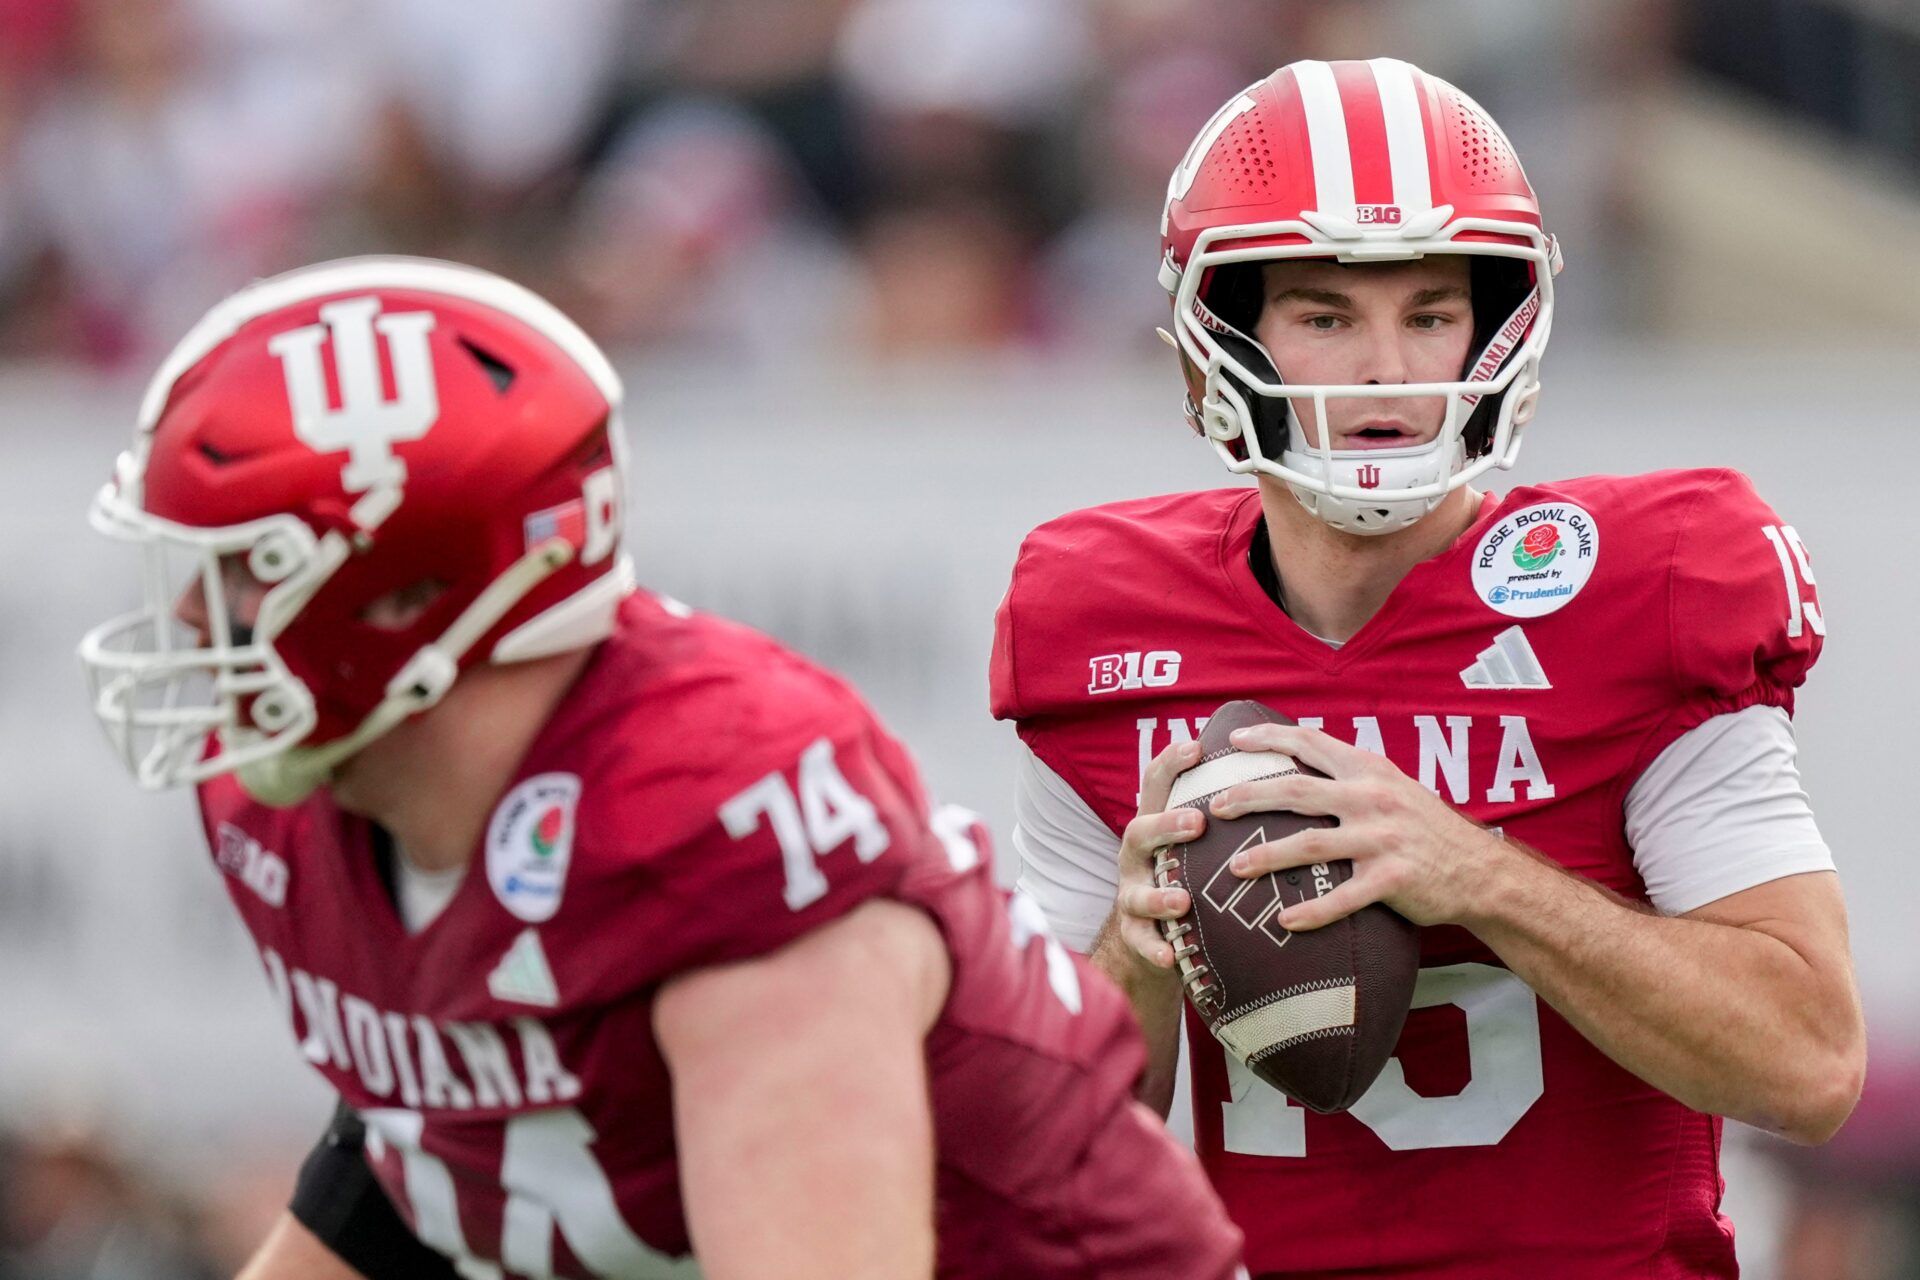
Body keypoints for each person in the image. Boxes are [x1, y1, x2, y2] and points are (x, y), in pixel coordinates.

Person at [77, 256, 1245, 1280]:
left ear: (407, 596)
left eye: (239, 571)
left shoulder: (711, 822)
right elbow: (424, 1166)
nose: (194, 621)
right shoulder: (310, 796)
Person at [990, 58, 1864, 1278]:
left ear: (1499, 322)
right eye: (1327, 316)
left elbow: (1809, 1063)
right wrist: (1133, 956)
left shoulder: (1642, 591)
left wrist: (1483, 878)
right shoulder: (1104, 624)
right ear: (1223, 331)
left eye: (1430, 313)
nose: (1386, 370)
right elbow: (1042, 1164)